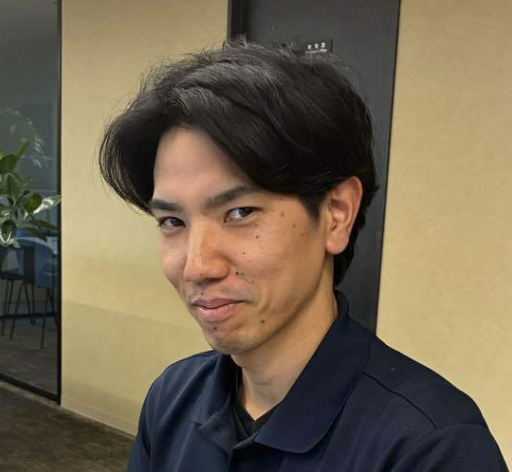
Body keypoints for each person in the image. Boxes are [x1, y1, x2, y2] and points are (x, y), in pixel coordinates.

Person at [99, 41, 508, 471]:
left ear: (336, 215)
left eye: (240, 213)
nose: (197, 266)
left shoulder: (432, 448)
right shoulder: (172, 398)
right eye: (172, 221)